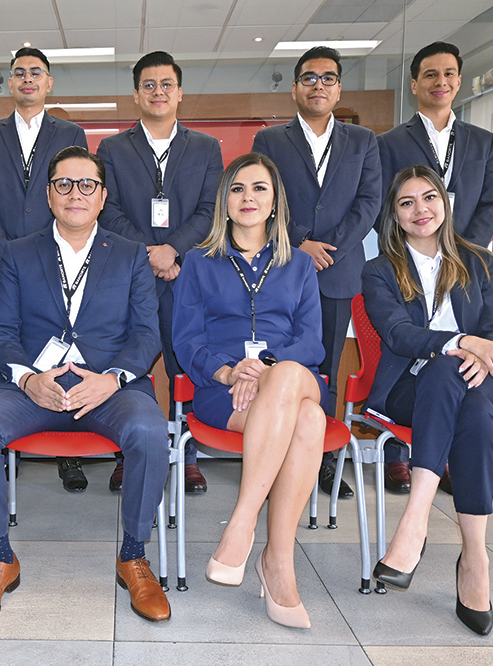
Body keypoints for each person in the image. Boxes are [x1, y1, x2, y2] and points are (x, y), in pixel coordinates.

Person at [0, 146, 171, 626]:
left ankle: (134, 556)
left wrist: (112, 380)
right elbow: (1, 332)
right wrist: (28, 379)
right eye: (64, 184)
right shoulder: (16, 253)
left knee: (150, 430)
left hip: (108, 389)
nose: (76, 193)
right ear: (49, 194)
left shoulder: (131, 256)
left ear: (103, 196)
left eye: (87, 184)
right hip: (35, 388)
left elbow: (146, 335)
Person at [363, 165, 493, 636]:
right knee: (456, 387)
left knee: (461, 382)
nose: (420, 209)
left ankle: (414, 522)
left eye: (429, 197)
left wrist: (483, 351)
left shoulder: (479, 262)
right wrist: (463, 342)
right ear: (394, 215)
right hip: (412, 388)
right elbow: (399, 334)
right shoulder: (379, 270)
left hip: (488, 381)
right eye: (407, 202)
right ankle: (475, 558)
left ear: (445, 203)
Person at [172, 153, 327, 629]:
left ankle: (242, 521)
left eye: (260, 188)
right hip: (225, 389)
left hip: (293, 377)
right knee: (309, 421)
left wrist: (266, 368)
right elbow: (186, 340)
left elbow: (313, 342)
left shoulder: (300, 264)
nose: (248, 198)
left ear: (275, 201)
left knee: (288, 378)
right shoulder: (198, 262)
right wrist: (225, 373)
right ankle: (278, 562)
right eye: (237, 189)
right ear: (224, 200)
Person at [251, 45, 380, 501]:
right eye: (309, 78)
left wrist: (331, 248)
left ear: (339, 88)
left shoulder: (363, 141)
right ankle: (273, 449)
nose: (318, 85)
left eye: (328, 78)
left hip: (338, 271)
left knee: (325, 365)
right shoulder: (270, 140)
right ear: (294, 88)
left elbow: (369, 201)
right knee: (279, 359)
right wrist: (301, 241)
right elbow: (262, 195)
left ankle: (322, 460)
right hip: (283, 267)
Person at [376, 41, 493, 494]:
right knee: (423, 352)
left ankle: (434, 470)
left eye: (449, 73)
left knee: (463, 375)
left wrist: (462, 250)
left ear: (460, 81)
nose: (441, 82)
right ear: (415, 84)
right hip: (411, 257)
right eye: (431, 74)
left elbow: (490, 201)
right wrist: (416, 242)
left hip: (460, 256)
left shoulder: (482, 142)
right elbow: (382, 203)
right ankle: (402, 456)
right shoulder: (389, 143)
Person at [97, 50, 224, 494]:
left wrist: (173, 250)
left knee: (183, 363)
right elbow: (107, 209)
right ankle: (126, 452)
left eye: (166, 84)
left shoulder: (206, 148)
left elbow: (211, 209)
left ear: (180, 93)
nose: (158, 92)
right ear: (136, 95)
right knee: (123, 361)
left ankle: (187, 454)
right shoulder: (112, 148)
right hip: (129, 275)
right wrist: (149, 254)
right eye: (148, 85)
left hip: (186, 275)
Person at [0, 46, 89, 492]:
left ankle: (66, 449)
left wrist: (44, 250)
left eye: (36, 73)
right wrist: (8, 252)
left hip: (56, 259)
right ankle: (3, 442)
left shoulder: (70, 132)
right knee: (5, 341)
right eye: (19, 73)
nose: (28, 79)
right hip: (2, 261)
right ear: (10, 82)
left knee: (61, 340)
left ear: (48, 83)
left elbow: (74, 195)